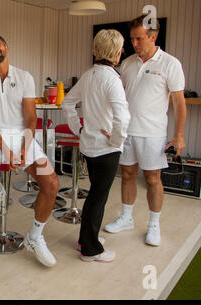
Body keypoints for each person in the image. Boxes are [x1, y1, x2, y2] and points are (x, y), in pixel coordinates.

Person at [0, 32, 59, 267]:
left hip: (23, 136)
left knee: (51, 183)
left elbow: (31, 118)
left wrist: (23, 148)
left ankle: (35, 236)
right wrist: (7, 151)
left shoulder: (25, 77)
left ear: (6, 48)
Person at [104, 15, 187, 246]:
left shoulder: (170, 63)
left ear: (153, 36)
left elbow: (180, 103)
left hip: (153, 133)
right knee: (127, 175)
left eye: (139, 39)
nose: (135, 44)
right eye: (132, 39)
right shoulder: (128, 63)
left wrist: (178, 135)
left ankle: (153, 224)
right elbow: (117, 99)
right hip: (127, 132)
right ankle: (127, 217)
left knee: (152, 178)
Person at [62, 29, 130, 262]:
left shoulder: (89, 74)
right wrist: (116, 141)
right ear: (118, 53)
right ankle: (90, 250)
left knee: (95, 195)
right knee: (97, 198)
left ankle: (86, 239)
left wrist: (78, 129)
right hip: (106, 150)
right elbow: (123, 118)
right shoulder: (112, 79)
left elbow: (67, 103)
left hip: (89, 147)